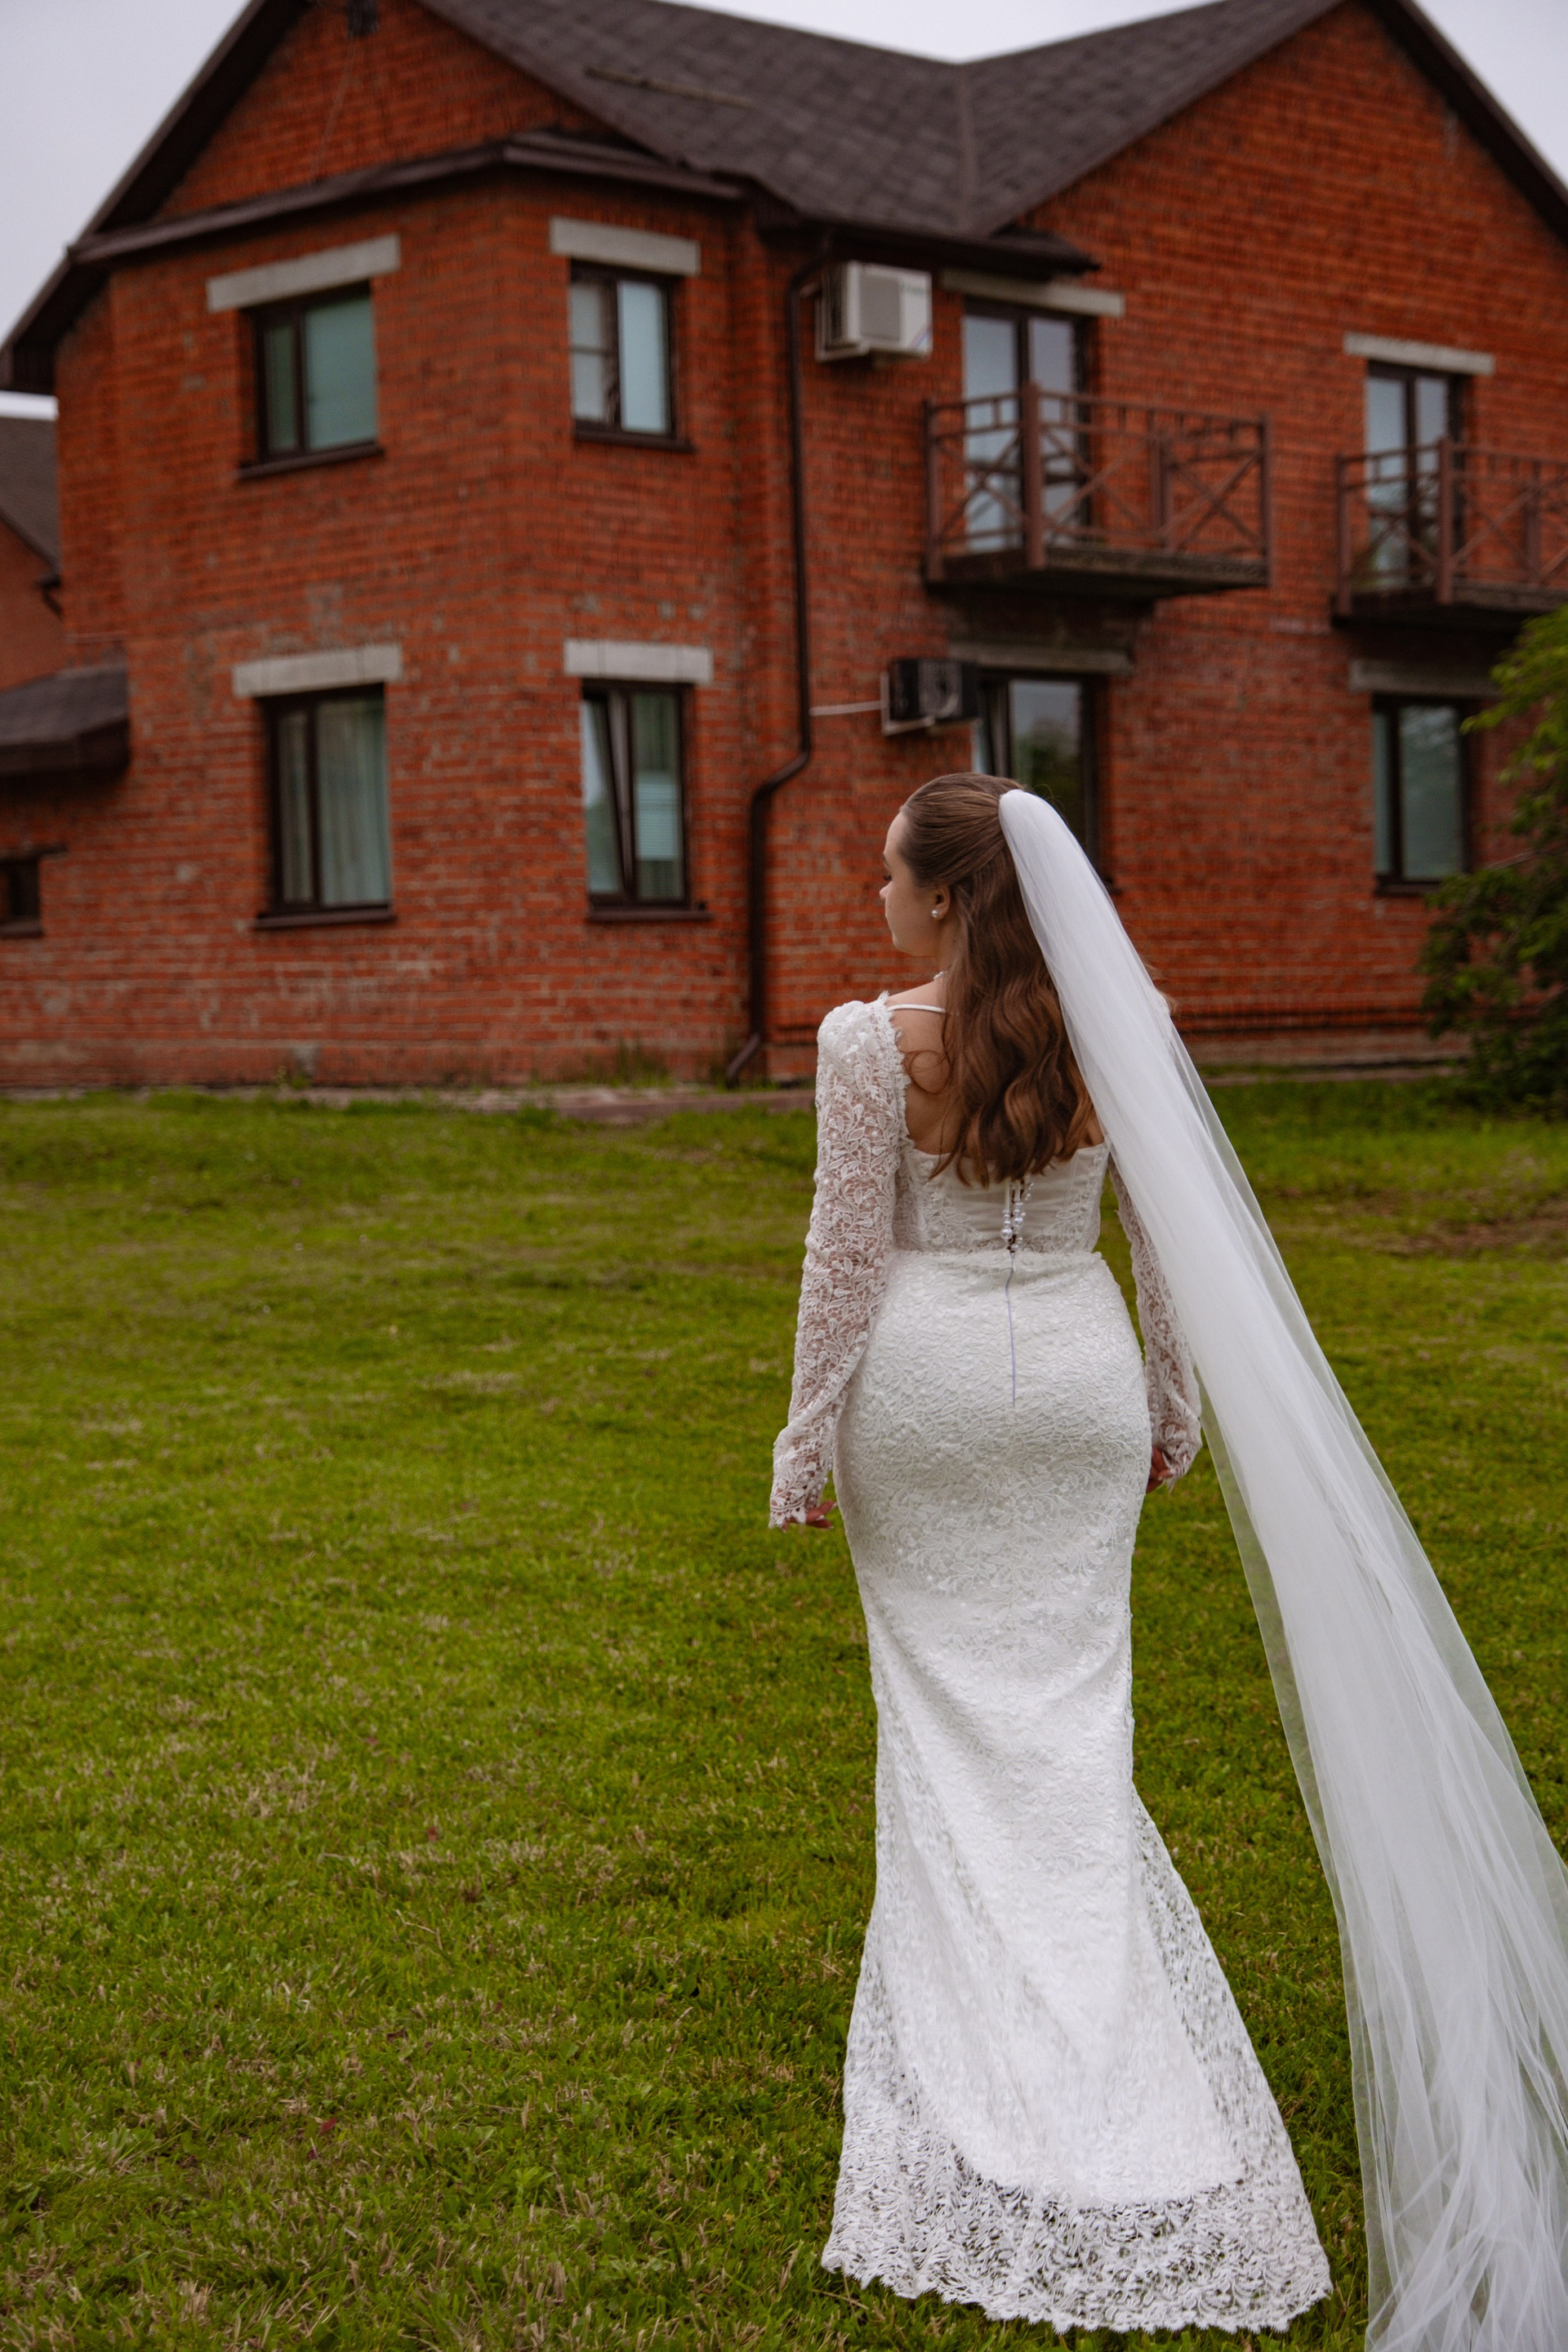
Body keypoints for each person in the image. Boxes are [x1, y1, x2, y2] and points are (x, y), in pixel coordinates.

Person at [770, 773, 1568, 2347]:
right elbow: (1168, 1243)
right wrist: (1171, 1404)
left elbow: (844, 1260)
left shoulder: (866, 1044)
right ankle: (1099, 2044)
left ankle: (984, 2059)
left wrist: (805, 1438)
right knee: (1074, 1727)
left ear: (947, 897)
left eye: (890, 875)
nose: (877, 898)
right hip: (1079, 1393)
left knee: (943, 1721)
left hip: (924, 1404)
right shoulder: (1117, 1025)